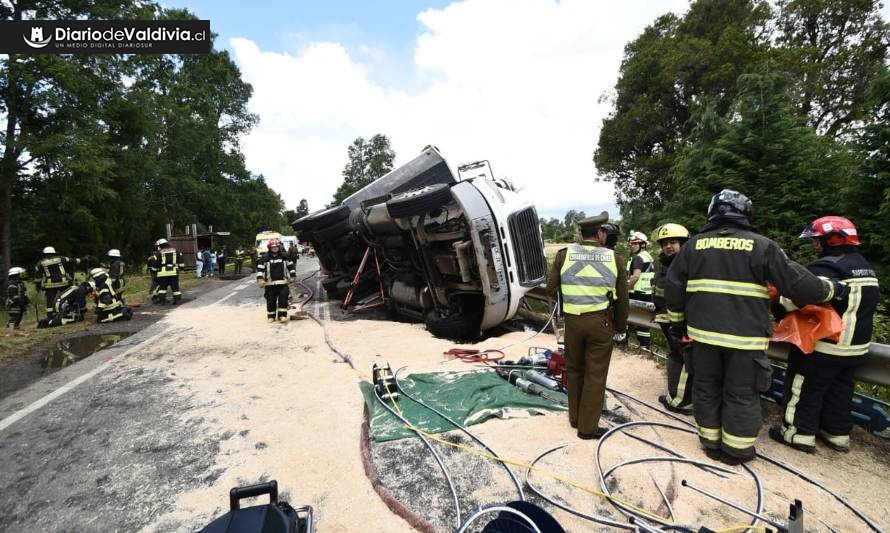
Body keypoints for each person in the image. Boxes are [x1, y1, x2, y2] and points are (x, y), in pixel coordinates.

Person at [665, 189, 845, 464]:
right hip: (745, 341)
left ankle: (711, 443)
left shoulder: (693, 246)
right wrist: (832, 289)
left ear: (713, 213)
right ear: (746, 214)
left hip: (703, 338)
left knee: (706, 387)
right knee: (741, 393)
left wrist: (677, 325)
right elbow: (800, 285)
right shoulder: (762, 246)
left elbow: (674, 288)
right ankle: (736, 451)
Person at [770, 216, 879, 454]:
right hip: (856, 349)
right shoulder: (864, 266)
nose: (815, 246)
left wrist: (776, 305)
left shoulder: (827, 267)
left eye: (818, 241)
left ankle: (798, 434)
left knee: (804, 388)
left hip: (825, 346)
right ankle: (837, 434)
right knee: (839, 391)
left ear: (834, 239)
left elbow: (797, 299)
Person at [546, 212, 628, 439]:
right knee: (595, 374)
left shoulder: (565, 255)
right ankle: (588, 428)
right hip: (601, 323)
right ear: (601, 233)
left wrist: (571, 300)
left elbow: (551, 289)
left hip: (572, 322)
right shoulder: (615, 259)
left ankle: (574, 419)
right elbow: (622, 299)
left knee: (574, 370)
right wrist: (620, 328)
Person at [652, 223, 693, 414]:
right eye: (665, 243)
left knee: (683, 360)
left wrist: (681, 326)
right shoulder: (667, 265)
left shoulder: (687, 265)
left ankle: (681, 402)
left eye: (673, 242)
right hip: (668, 322)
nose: (669, 246)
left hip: (682, 324)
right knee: (675, 357)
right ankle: (674, 395)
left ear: (683, 243)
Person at [626, 231, 655, 349]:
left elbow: (636, 276)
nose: (632, 246)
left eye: (634, 243)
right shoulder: (648, 256)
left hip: (636, 293)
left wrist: (625, 288)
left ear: (642, 244)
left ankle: (623, 342)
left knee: (626, 318)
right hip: (647, 294)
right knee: (643, 323)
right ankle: (645, 346)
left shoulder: (638, 258)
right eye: (631, 244)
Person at [256, 238, 296, 323]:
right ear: (269, 247)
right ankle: (271, 316)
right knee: (270, 300)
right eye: (273, 247)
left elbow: (291, 267)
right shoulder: (264, 258)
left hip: (283, 283)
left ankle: (282, 316)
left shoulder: (285, 256)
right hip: (269, 284)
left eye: (276, 247)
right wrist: (260, 279)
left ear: (279, 247)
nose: (275, 248)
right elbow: (260, 270)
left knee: (283, 299)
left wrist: (293, 276)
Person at [34, 246, 81, 316]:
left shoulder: (40, 263)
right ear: (54, 253)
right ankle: (68, 312)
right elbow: (73, 261)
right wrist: (82, 259)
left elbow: (38, 278)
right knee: (66, 297)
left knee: (50, 301)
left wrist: (38, 287)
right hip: (64, 283)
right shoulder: (62, 258)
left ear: (45, 254)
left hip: (50, 286)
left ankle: (50, 316)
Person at [153, 238, 184, 305]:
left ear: (160, 245)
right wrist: (181, 268)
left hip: (162, 273)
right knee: (175, 288)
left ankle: (162, 302)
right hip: (174, 272)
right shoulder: (176, 251)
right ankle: (177, 301)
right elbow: (181, 261)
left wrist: (154, 271)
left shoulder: (159, 253)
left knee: (162, 288)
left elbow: (156, 264)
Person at [5, 267, 30, 336]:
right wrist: (19, 301)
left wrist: (26, 300)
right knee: (15, 316)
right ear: (15, 275)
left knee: (20, 316)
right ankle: (9, 329)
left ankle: (15, 328)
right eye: (20, 274)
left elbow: (23, 293)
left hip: (20, 303)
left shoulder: (20, 283)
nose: (21, 276)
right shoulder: (12, 284)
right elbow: (13, 295)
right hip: (13, 304)